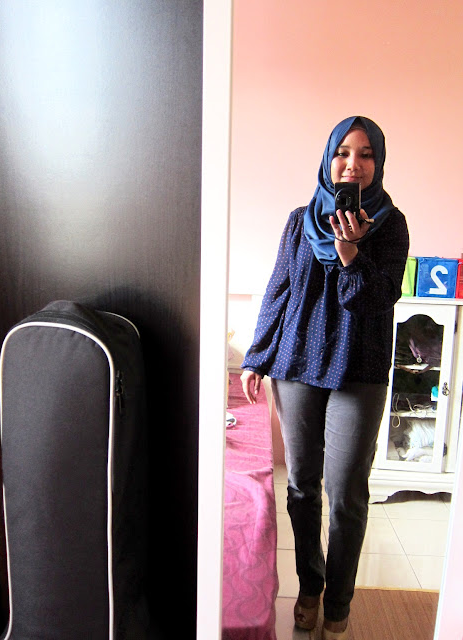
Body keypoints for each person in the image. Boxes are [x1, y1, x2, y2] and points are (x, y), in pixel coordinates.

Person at [240, 116, 409, 640]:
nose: (352, 164)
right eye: (343, 153)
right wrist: (256, 356)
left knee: (346, 494)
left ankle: (338, 603)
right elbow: (280, 288)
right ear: (328, 159)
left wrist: (350, 251)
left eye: (365, 154)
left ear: (378, 163)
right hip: (297, 364)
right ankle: (310, 588)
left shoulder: (391, 224)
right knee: (301, 487)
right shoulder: (299, 221)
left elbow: (378, 299)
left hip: (359, 370)